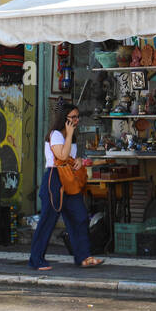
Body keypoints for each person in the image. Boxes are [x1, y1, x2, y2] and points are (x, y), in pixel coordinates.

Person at [28, 101, 104, 271]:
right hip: (54, 178)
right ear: (65, 119)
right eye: (73, 117)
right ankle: (36, 259)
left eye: (77, 117)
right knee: (48, 219)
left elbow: (69, 157)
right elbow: (61, 156)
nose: (77, 120)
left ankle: (84, 256)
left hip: (69, 179)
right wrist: (69, 135)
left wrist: (77, 161)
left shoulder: (71, 136)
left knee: (80, 216)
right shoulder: (56, 134)